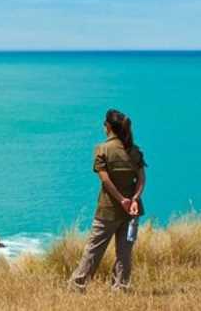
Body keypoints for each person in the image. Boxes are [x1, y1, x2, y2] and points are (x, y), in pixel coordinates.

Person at [69, 108, 147, 292]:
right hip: (132, 213)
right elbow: (142, 179)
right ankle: (120, 288)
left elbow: (105, 179)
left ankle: (77, 286)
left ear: (108, 127)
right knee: (125, 252)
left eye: (104, 124)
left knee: (94, 249)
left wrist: (121, 200)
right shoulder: (134, 151)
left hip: (108, 210)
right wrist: (133, 199)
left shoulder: (102, 149)